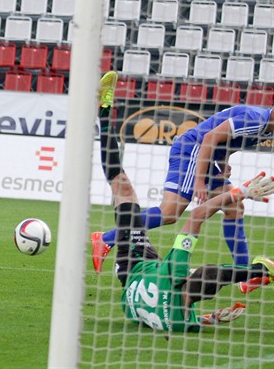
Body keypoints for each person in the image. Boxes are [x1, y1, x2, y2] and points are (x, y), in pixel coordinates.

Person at [95, 104, 274, 332]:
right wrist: (200, 181)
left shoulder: (267, 128)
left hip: (206, 159)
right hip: (193, 150)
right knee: (170, 212)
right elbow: (209, 138)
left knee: (235, 208)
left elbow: (226, 140)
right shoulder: (255, 119)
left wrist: (224, 161)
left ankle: (246, 273)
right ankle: (107, 238)